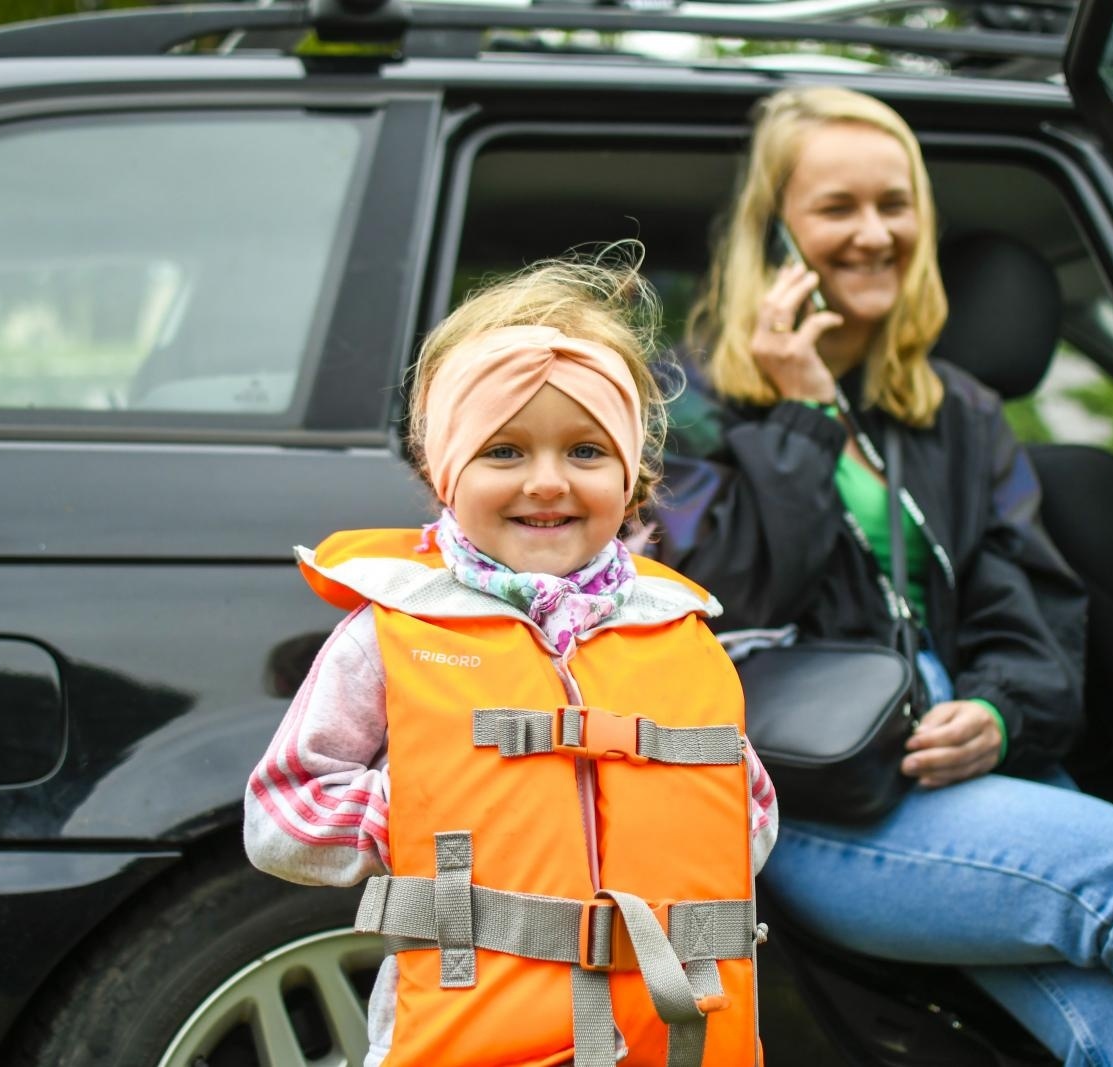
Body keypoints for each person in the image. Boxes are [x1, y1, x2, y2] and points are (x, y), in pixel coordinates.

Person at [652, 86, 1113, 1066]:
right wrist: (803, 413)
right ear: (774, 235)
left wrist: (1001, 712)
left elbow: (1032, 606)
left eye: (895, 204)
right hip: (814, 795)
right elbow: (728, 600)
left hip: (970, 763)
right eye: (838, 207)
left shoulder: (957, 411)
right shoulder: (689, 409)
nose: (875, 233)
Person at [243, 251, 778, 1067]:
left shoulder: (677, 628)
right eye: (504, 451)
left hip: (666, 1028)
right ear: (445, 470)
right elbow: (281, 812)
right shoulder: (393, 627)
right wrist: (404, 812)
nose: (547, 481)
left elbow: (751, 812)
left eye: (587, 451)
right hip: (473, 1026)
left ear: (631, 475)